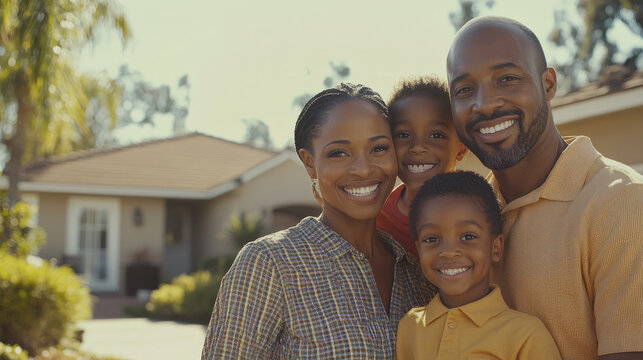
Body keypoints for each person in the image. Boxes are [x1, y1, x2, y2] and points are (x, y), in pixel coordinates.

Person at [446, 16, 643, 359]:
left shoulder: (621, 203)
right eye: (464, 89)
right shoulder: (464, 221)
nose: (486, 103)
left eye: (507, 79)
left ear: (548, 83)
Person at [201, 83, 436, 359]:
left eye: (379, 148)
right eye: (339, 153)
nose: (362, 168)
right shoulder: (270, 264)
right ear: (309, 162)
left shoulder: (416, 270)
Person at [396, 171, 561, 359]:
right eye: (432, 238)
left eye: (468, 237)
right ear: (418, 250)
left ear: (496, 248)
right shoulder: (410, 327)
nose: (449, 252)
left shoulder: (525, 336)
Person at [376, 76, 467, 257]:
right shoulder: (379, 218)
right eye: (403, 135)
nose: (417, 147)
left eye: (436, 135)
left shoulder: (480, 208)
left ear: (461, 148)